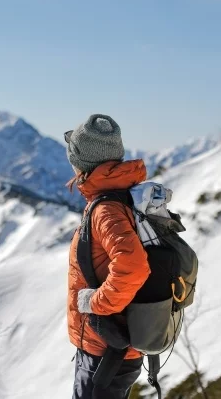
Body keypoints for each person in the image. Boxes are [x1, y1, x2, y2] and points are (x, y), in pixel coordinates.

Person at [65, 114, 151, 399]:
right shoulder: (122, 198)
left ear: (83, 163)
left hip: (107, 349)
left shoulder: (106, 210)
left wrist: (97, 304)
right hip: (110, 345)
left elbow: (133, 266)